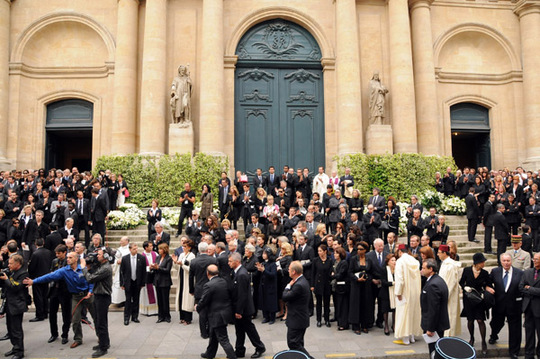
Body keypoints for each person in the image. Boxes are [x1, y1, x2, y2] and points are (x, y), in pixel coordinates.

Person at [24, 252, 95, 349]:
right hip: (75, 296)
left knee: (96, 316)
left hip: (87, 295)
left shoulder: (83, 269)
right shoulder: (64, 271)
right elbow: (49, 276)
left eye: (70, 257)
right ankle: (78, 339)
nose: (68, 259)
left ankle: (101, 336)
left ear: (76, 259)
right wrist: (34, 281)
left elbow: (91, 280)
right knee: (75, 319)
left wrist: (90, 291)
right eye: (67, 257)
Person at [228, 253, 266, 358]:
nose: (228, 263)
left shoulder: (241, 274)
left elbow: (242, 295)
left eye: (230, 261)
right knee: (239, 330)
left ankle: (260, 347)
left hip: (243, 309)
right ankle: (239, 350)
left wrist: (239, 311)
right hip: (239, 308)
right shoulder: (236, 272)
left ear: (237, 261)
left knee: (249, 329)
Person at [196, 264, 237, 359]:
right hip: (225, 313)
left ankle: (232, 356)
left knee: (223, 339)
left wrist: (198, 307)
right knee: (213, 334)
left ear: (207, 273)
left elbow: (204, 300)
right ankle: (210, 353)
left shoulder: (209, 285)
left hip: (216, 315)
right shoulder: (224, 281)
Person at [488, 253, 523, 359]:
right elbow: (488, 282)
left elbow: (522, 287)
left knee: (515, 330)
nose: (506, 263)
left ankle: (514, 352)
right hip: (499, 305)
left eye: (508, 261)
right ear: (500, 261)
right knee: (496, 323)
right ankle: (494, 335)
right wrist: (487, 287)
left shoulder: (519, 273)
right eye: (504, 261)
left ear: (511, 261)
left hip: (514, 306)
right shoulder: (495, 272)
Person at [81, 247, 113, 358]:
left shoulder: (106, 268)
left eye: (99, 254)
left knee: (101, 323)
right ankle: (105, 342)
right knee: (99, 321)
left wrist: (84, 268)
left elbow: (90, 278)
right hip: (98, 295)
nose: (97, 256)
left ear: (105, 257)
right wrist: (90, 267)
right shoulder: (101, 266)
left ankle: (103, 348)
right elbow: (93, 273)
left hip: (103, 297)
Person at [460, 252, 492, 355]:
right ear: (476, 263)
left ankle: (483, 342)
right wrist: (465, 287)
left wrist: (487, 291)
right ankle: (472, 338)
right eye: (482, 262)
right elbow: (461, 282)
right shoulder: (467, 270)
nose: (483, 264)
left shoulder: (485, 273)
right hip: (469, 298)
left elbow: (489, 284)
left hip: (479, 299)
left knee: (480, 320)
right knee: (470, 320)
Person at [282, 260, 312, 359]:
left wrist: (288, 286)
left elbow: (285, 296)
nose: (288, 270)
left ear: (294, 272)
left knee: (293, 343)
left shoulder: (298, 284)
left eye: (289, 269)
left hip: (297, 320)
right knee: (298, 343)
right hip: (299, 318)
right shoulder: (302, 280)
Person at [0, 254, 28, 359]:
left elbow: (15, 286)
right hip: (9, 303)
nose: (9, 265)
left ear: (18, 264)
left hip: (17, 304)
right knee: (10, 328)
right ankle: (14, 347)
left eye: (11, 263)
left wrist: (7, 278)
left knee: (16, 329)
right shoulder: (11, 271)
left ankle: (19, 351)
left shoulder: (23, 273)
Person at [420, 258, 450, 355]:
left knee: (434, 351)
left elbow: (433, 309)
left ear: (431, 269)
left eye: (423, 268)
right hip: (439, 324)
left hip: (435, 326)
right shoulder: (438, 280)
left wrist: (430, 328)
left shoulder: (433, 285)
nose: (422, 270)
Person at [393, 244, 422, 345]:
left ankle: (405, 338)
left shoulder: (400, 261)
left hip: (405, 291)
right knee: (413, 312)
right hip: (415, 291)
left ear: (400, 252)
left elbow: (400, 279)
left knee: (403, 313)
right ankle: (412, 336)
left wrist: (398, 292)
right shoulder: (414, 260)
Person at [189, 241, 218, 339]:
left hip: (199, 288)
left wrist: (191, 289)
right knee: (211, 310)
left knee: (201, 312)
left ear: (199, 250)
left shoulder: (194, 261)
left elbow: (190, 277)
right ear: (207, 250)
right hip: (212, 287)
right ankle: (210, 330)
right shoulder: (213, 260)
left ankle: (203, 333)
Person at [47, 244, 71, 345]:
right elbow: (52, 272)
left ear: (64, 253)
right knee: (52, 313)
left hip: (64, 291)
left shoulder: (68, 261)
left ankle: (65, 334)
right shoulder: (55, 261)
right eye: (56, 253)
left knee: (66, 314)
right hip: (54, 290)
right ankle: (54, 333)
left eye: (59, 253)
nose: (57, 255)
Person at [119, 243, 146, 325]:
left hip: (137, 282)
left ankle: (135, 316)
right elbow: (122, 272)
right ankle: (126, 318)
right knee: (128, 300)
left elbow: (143, 272)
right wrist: (122, 283)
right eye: (134, 249)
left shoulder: (141, 258)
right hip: (128, 282)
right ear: (130, 249)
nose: (136, 250)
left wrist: (142, 283)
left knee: (136, 300)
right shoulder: (125, 258)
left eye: (136, 248)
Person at [27, 237, 53, 322]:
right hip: (46, 276)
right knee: (45, 295)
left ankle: (39, 314)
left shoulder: (35, 254)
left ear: (35, 244)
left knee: (38, 297)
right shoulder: (48, 252)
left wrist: (31, 275)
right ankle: (45, 312)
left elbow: (32, 267)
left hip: (37, 277)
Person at [437, 244, 461, 337]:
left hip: (448, 295)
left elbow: (450, 283)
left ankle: (448, 336)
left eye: (439, 253)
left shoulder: (450, 265)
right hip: (443, 293)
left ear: (444, 253)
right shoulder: (444, 263)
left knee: (450, 315)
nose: (438, 255)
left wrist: (444, 296)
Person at [520, 252, 540, 359]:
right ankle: (529, 354)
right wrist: (528, 290)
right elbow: (521, 287)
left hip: (539, 309)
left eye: (537, 259)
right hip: (528, 308)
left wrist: (530, 289)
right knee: (529, 334)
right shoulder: (527, 272)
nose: (534, 261)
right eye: (534, 259)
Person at [172, 238, 196, 325]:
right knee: (181, 297)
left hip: (187, 279)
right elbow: (177, 267)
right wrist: (175, 262)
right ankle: (182, 317)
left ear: (189, 247)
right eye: (183, 246)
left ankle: (188, 319)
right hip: (181, 278)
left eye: (185, 246)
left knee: (187, 299)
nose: (184, 248)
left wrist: (181, 264)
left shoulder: (192, 256)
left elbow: (191, 269)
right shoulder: (182, 255)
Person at [311, 244, 333, 328]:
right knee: (319, 303)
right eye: (318, 251)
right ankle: (319, 320)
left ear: (325, 251)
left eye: (320, 251)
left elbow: (331, 271)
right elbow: (313, 273)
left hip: (327, 284)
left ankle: (327, 319)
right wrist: (312, 285)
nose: (319, 252)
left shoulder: (329, 260)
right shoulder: (315, 260)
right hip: (318, 284)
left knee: (326, 303)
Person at [151, 243, 172, 323]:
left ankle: (167, 316)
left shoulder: (168, 258)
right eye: (159, 249)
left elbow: (167, 270)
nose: (159, 250)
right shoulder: (157, 257)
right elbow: (156, 268)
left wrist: (158, 268)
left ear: (165, 250)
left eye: (160, 249)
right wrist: (153, 267)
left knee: (165, 299)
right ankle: (160, 316)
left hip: (165, 281)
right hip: (157, 281)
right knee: (159, 300)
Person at [140, 241, 158, 316]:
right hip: (146, 277)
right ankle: (147, 311)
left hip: (154, 276)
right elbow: (140, 267)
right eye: (150, 246)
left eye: (152, 246)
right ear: (146, 247)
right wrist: (148, 267)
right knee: (146, 294)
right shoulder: (141, 256)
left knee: (154, 292)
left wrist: (155, 265)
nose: (152, 247)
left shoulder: (155, 254)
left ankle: (155, 310)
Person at [112, 236, 130, 304]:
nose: (120, 242)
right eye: (120, 241)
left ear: (127, 241)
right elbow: (116, 259)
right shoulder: (119, 249)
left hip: (127, 270)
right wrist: (117, 262)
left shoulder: (130, 249)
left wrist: (123, 261)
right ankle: (119, 301)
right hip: (119, 269)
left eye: (122, 241)